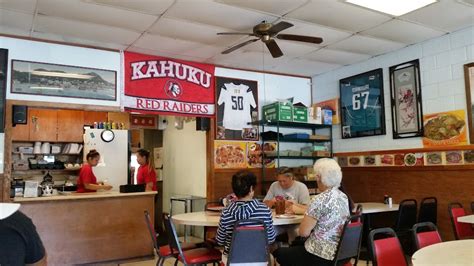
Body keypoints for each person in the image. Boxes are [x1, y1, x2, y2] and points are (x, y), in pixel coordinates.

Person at [273, 158, 350, 266]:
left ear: (318, 177)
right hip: (342, 253)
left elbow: (303, 232)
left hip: (320, 255)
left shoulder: (319, 199)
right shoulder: (343, 196)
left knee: (280, 252)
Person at [216, 171, 276, 264]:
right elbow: (271, 239)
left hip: (232, 261)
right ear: (251, 188)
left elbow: (220, 241)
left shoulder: (226, 212)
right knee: (271, 258)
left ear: (234, 190)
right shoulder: (264, 210)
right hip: (260, 259)